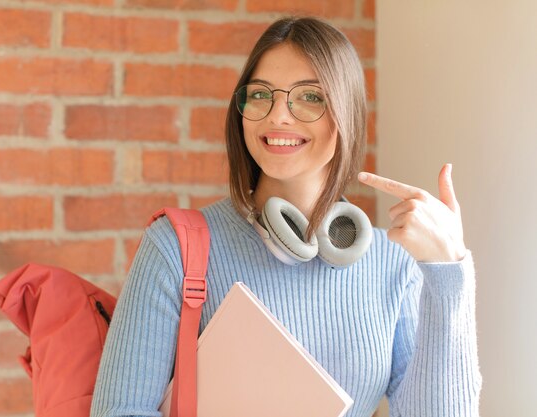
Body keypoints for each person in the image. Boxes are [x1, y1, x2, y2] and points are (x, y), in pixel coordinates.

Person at [91, 16, 481, 417]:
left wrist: (447, 272)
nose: (277, 115)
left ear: (344, 114)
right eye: (260, 95)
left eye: (310, 97)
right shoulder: (176, 246)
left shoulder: (392, 263)